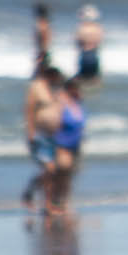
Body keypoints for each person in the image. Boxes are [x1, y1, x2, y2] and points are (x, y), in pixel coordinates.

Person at [21, 65, 66, 211]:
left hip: (56, 135)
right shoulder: (37, 87)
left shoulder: (56, 88)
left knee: (55, 171)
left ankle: (46, 200)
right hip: (41, 135)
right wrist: (30, 132)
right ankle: (43, 201)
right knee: (49, 169)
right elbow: (29, 110)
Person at [45, 75, 86, 218]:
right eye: (76, 89)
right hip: (61, 144)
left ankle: (63, 203)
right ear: (70, 89)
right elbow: (53, 123)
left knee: (68, 176)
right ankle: (51, 203)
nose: (79, 91)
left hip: (75, 145)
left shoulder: (77, 104)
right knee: (58, 175)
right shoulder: (61, 103)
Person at [75, 4, 104, 83]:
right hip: (94, 54)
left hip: (84, 53)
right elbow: (99, 41)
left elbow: (78, 41)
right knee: (94, 80)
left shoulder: (81, 28)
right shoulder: (97, 28)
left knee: (83, 80)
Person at [33, 3, 53, 73]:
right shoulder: (46, 24)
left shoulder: (41, 25)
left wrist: (41, 55)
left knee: (40, 75)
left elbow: (44, 40)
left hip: (42, 53)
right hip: (44, 52)